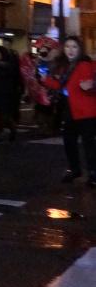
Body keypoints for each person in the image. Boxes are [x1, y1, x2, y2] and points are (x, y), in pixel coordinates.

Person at [43, 36, 96, 185]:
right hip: (70, 109)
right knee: (69, 142)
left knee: (88, 144)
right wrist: (45, 80)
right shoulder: (65, 66)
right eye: (67, 47)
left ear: (79, 49)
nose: (70, 50)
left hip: (86, 111)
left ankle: (92, 173)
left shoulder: (84, 64)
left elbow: (88, 85)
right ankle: (75, 170)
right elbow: (62, 86)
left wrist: (89, 86)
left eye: (74, 47)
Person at [0, 45, 23, 143]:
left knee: (5, 115)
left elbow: (11, 73)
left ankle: (13, 129)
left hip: (6, 93)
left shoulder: (9, 64)